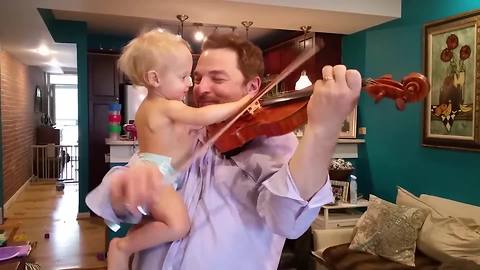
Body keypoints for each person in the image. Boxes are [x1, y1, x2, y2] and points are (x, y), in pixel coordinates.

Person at [86, 32, 362, 270]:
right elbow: (128, 200)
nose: (200, 88)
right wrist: (123, 192)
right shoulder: (186, 130)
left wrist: (323, 129)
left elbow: (288, 221)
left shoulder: (276, 143)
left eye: (216, 78)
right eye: (195, 77)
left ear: (253, 88)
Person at [105, 29, 252, 270]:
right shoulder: (164, 106)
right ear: (155, 79)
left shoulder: (152, 106)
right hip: (158, 177)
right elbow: (202, 116)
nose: (191, 83)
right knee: (179, 225)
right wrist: (242, 103)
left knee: (159, 221)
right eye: (184, 76)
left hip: (161, 173)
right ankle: (122, 247)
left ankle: (129, 246)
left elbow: (181, 139)